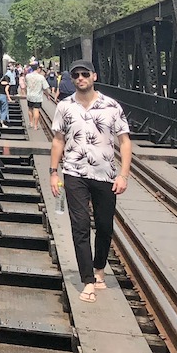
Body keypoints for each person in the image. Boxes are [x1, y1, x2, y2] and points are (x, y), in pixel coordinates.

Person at [49, 60, 131, 303]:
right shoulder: (65, 106)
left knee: (105, 226)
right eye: (76, 75)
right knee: (80, 226)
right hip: (74, 173)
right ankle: (88, 281)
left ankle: (99, 269)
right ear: (72, 79)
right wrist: (54, 172)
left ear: (94, 76)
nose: (81, 78)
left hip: (106, 174)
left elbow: (124, 142)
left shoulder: (111, 106)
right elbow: (57, 140)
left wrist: (124, 175)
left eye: (85, 74)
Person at [23, 64, 49, 128]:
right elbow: (45, 88)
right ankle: (35, 125)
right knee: (36, 110)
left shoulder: (28, 76)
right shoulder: (41, 77)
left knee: (30, 109)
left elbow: (26, 84)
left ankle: (31, 122)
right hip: (37, 96)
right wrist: (47, 95)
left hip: (29, 95)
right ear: (38, 69)